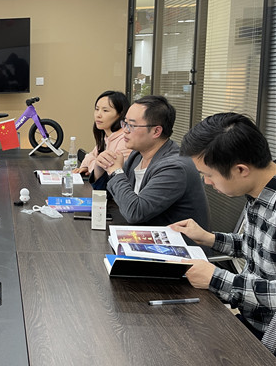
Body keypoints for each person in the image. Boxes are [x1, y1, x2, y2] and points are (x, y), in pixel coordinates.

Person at [169, 113, 276, 341]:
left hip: (267, 339)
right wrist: (209, 238)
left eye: (208, 175)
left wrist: (216, 278)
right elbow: (260, 249)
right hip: (248, 320)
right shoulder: (258, 192)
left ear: (241, 170)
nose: (206, 182)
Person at [92, 95, 209, 227]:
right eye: (124, 123)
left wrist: (116, 172)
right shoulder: (137, 155)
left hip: (174, 239)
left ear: (156, 131)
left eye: (131, 125)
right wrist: (100, 169)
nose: (125, 130)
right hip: (144, 232)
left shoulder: (174, 167)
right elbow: (113, 195)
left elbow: (135, 212)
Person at [73, 90, 130, 182]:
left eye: (105, 110)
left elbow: (107, 173)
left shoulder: (125, 139)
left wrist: (93, 165)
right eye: (97, 109)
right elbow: (89, 156)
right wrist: (90, 165)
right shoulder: (107, 136)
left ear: (120, 114)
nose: (98, 115)